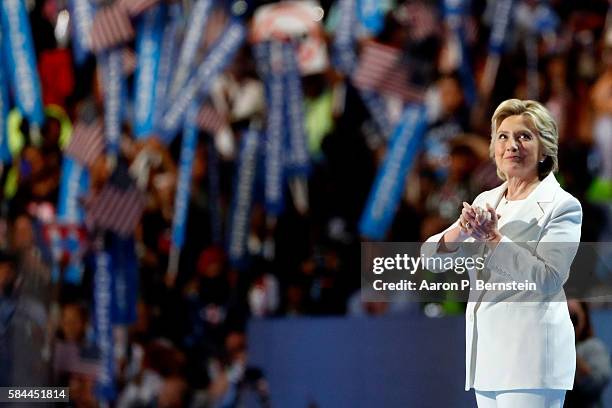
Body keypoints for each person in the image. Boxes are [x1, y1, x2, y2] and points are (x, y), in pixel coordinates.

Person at [422, 99, 583, 407]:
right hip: (487, 359)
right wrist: (462, 231)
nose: (512, 145)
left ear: (544, 149)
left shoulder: (562, 206)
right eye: (503, 137)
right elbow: (431, 257)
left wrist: (494, 239)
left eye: (524, 136)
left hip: (531, 359)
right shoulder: (487, 199)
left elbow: (548, 278)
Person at [564, 300, 611, 408]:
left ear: (584, 317)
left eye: (573, 317)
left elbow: (597, 381)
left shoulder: (593, 347)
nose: (569, 322)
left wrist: (568, 350)